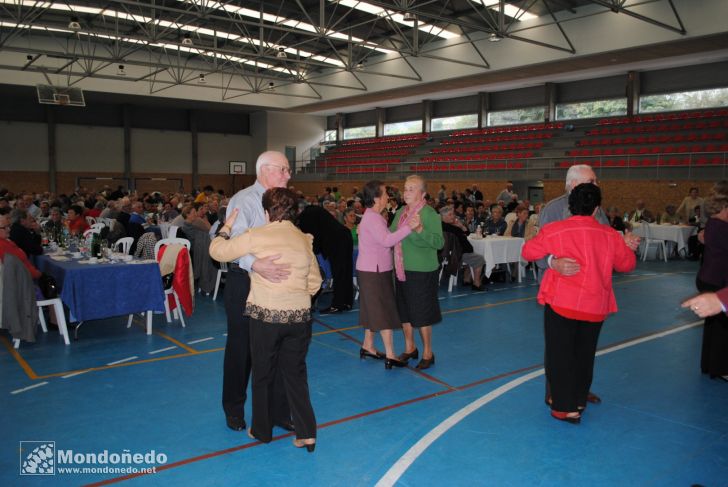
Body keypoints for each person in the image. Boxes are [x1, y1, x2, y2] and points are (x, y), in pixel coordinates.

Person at [210, 188, 320, 451]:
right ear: (295, 211)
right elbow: (315, 281)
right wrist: (294, 295)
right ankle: (307, 433)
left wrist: (226, 226)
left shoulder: (256, 236)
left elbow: (217, 251)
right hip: (299, 318)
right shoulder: (304, 239)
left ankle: (262, 430)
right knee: (295, 375)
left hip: (266, 317)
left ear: (265, 211)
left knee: (262, 373)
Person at [522, 183, 636, 423]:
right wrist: (626, 246)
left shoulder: (555, 230)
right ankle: (579, 398)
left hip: (562, 303)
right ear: (596, 209)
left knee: (559, 355)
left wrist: (551, 259)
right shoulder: (610, 235)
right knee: (584, 355)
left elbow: (529, 252)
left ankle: (565, 407)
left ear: (570, 206)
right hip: (595, 306)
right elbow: (626, 265)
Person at [218, 151, 294, 433]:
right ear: (265, 170)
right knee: (242, 351)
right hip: (245, 282)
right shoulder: (245, 200)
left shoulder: (284, 202)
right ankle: (234, 409)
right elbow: (233, 244)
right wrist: (256, 264)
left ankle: (276, 412)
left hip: (275, 284)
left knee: (274, 350)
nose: (288, 175)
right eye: (283, 170)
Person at [356, 180, 420, 369]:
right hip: (374, 271)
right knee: (382, 311)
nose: (387, 197)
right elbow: (386, 241)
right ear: (376, 198)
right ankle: (391, 354)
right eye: (384, 194)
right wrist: (409, 228)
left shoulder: (372, 216)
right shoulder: (373, 218)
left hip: (371, 269)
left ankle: (368, 345)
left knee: (371, 310)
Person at [391, 175, 444, 370]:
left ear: (422, 193)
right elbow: (389, 234)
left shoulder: (429, 214)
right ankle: (410, 347)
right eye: (405, 188)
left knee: (422, 314)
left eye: (412, 189)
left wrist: (420, 229)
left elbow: (439, 242)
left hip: (422, 272)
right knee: (404, 312)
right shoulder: (400, 213)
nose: (406, 192)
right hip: (402, 270)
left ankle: (428, 352)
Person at [692, 181, 728, 381]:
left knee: (713, 327)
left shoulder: (713, 225)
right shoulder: (721, 226)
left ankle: (709, 365)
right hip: (717, 280)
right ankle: (720, 368)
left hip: (709, 277)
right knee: (722, 329)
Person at [297, 204, 354, 314]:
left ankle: (337, 305)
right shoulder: (315, 210)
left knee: (339, 273)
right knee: (346, 271)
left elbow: (312, 237)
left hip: (337, 242)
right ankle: (347, 302)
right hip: (345, 235)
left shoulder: (304, 217)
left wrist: (314, 251)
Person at [440, 206, 486, 290]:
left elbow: (466, 234)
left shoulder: (441, 226)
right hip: (456, 255)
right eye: (450, 215)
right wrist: (460, 227)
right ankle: (476, 283)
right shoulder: (451, 228)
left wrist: (460, 227)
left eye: (453, 214)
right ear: (443, 217)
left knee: (472, 255)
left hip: (447, 254)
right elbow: (466, 235)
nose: (453, 216)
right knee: (479, 258)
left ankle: (466, 279)